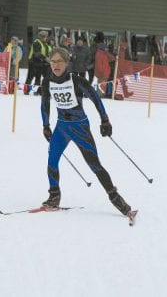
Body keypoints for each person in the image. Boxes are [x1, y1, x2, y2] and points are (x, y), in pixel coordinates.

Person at [40, 47, 133, 218]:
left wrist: (104, 119)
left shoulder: (77, 80)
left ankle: (118, 201)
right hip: (62, 128)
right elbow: (45, 103)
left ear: (67, 63)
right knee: (52, 160)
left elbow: (95, 98)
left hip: (80, 127)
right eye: (53, 61)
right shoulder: (47, 82)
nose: (56, 65)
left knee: (94, 165)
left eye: (59, 61)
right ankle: (54, 196)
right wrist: (46, 125)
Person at [24, 30, 50, 95]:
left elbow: (46, 53)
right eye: (43, 36)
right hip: (33, 62)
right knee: (30, 77)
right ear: (40, 37)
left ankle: (37, 91)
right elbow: (37, 53)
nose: (45, 38)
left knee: (38, 78)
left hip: (41, 63)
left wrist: (47, 60)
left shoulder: (45, 44)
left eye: (46, 37)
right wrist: (45, 58)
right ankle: (26, 90)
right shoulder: (36, 42)